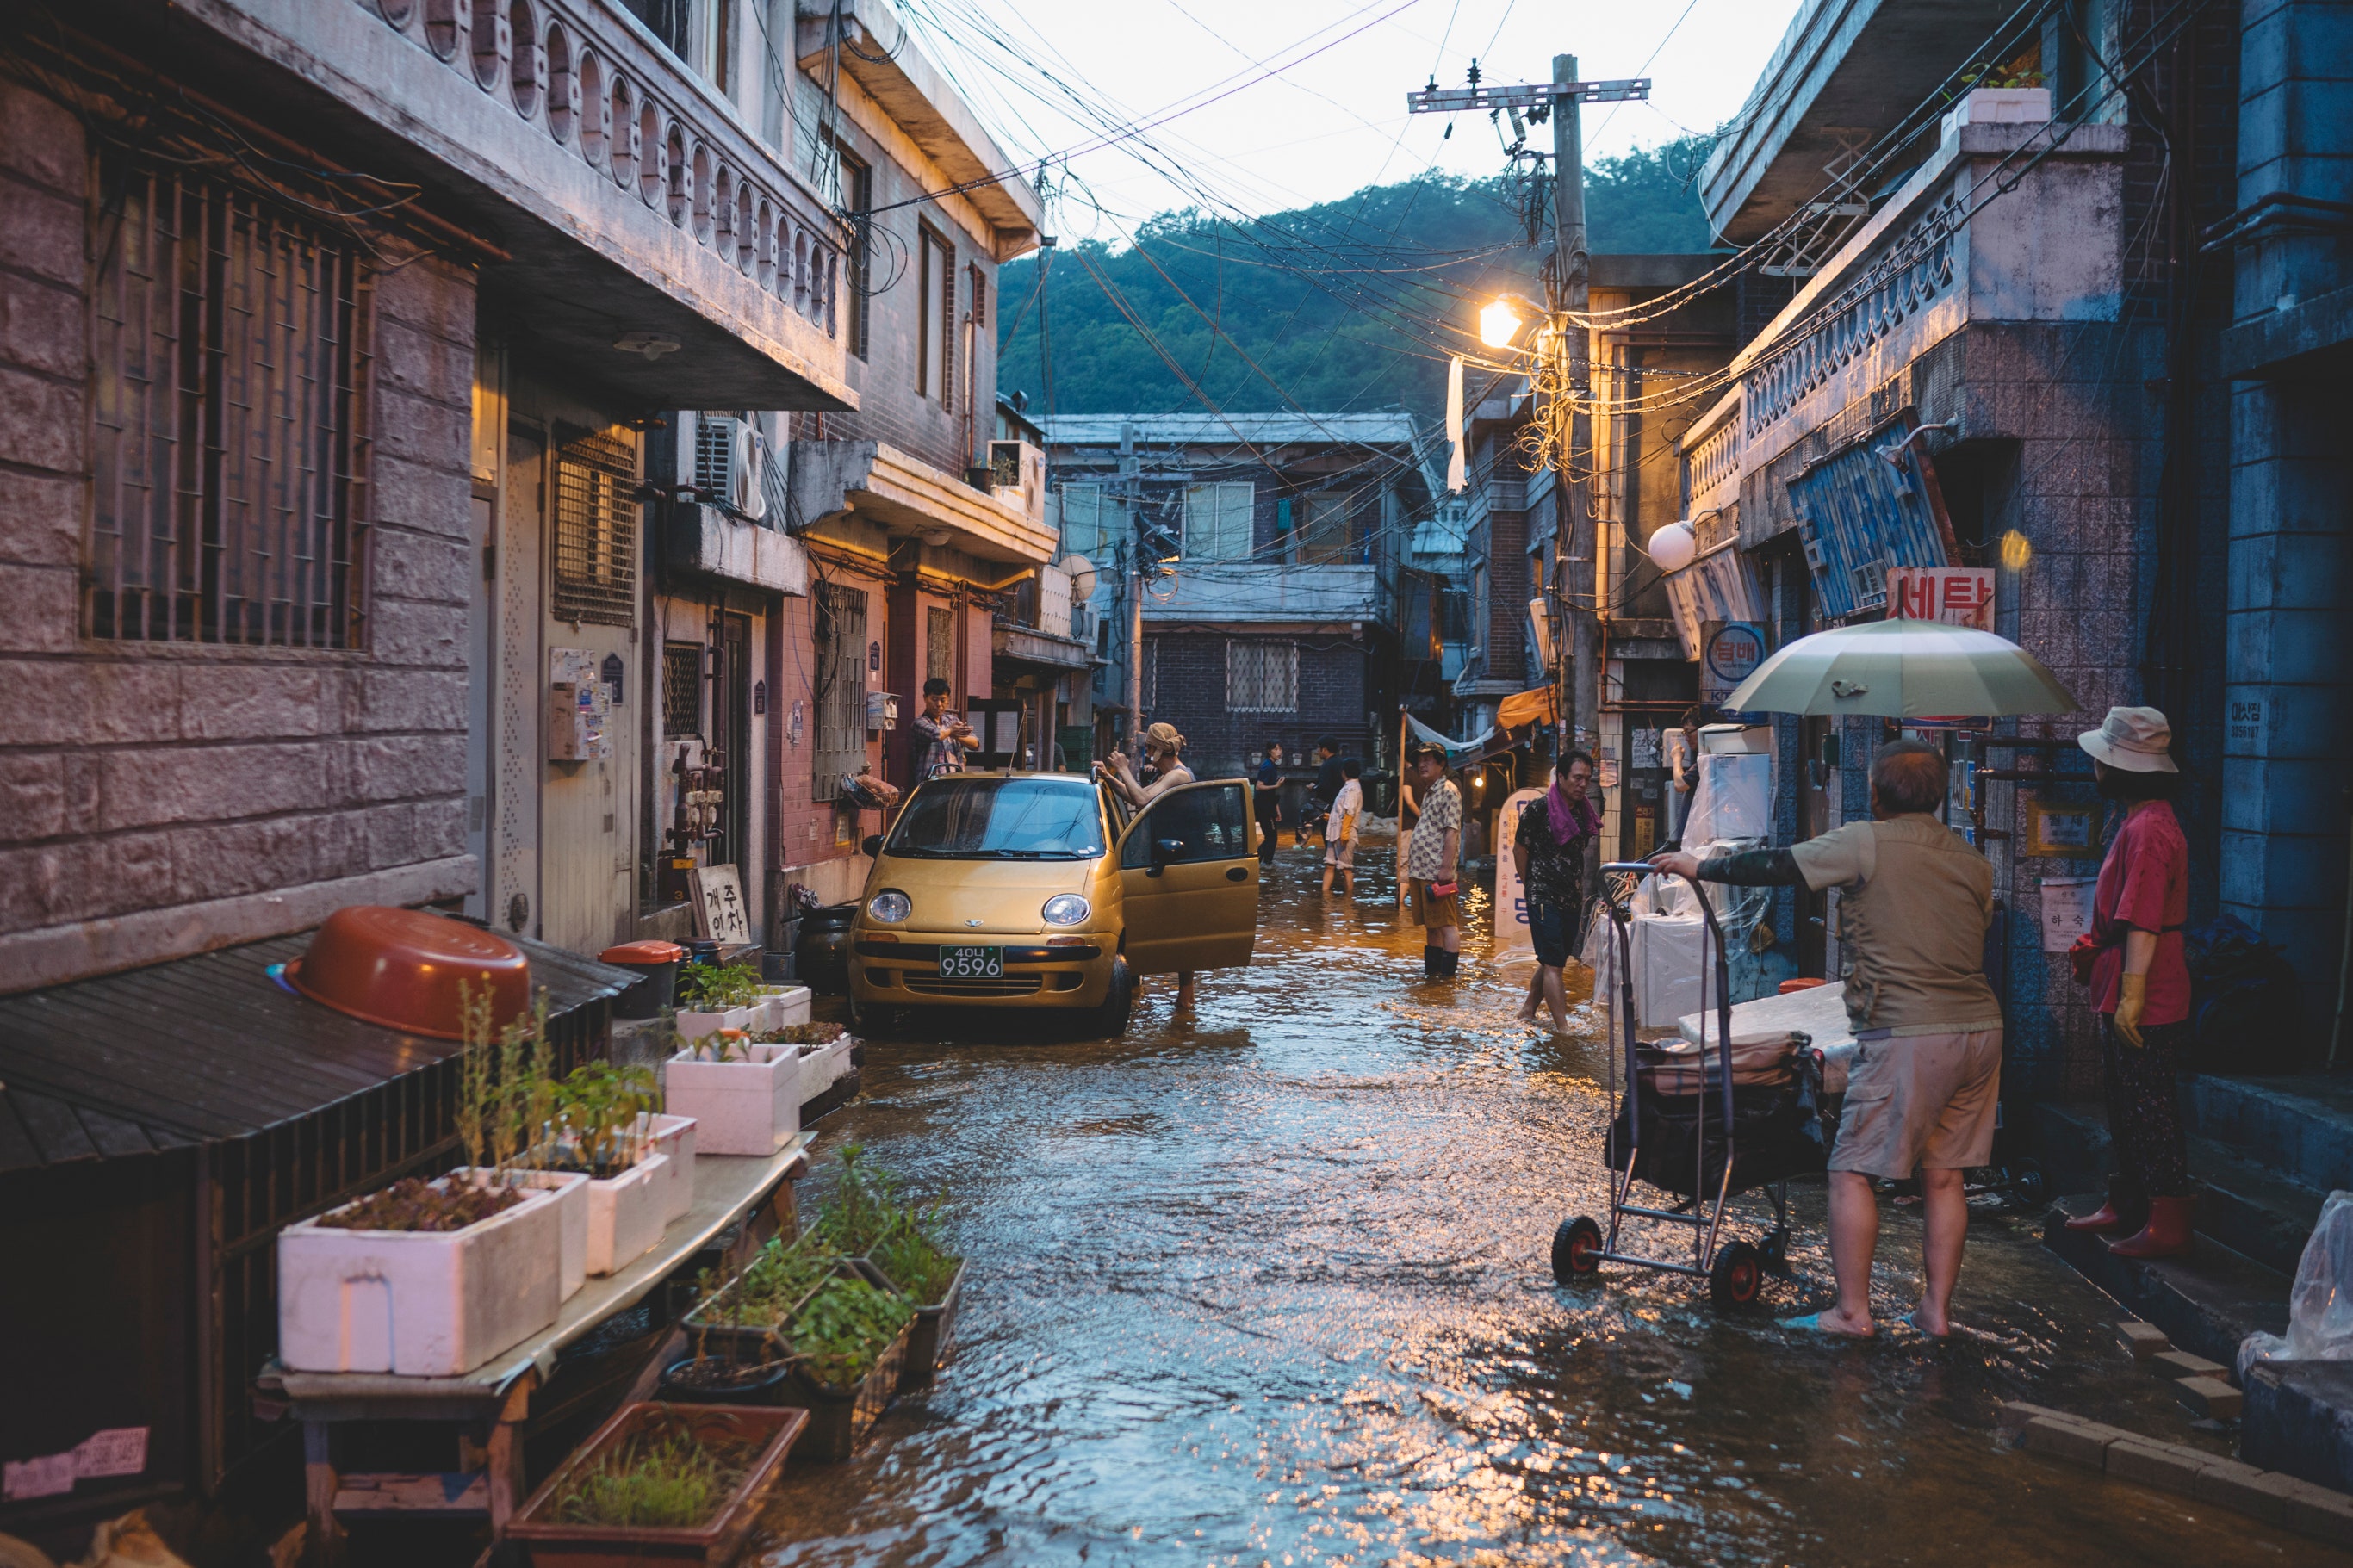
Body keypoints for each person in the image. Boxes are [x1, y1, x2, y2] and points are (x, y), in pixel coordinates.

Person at [1648, 739, 2000, 1339]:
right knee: (1944, 1174)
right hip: (1980, 1031)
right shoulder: (1971, 859)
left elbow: (1782, 866)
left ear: (1875, 793)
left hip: (1908, 1030)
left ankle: (1851, 1312)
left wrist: (1698, 865)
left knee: (1852, 1167)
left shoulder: (1866, 839)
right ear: (1940, 797)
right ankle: (1936, 1312)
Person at [2061, 707, 2196, 1259]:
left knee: (2150, 1106)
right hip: (2124, 976)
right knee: (2125, 1101)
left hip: (2148, 982)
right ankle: (2130, 1203)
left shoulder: (2149, 830)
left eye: (2103, 760)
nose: (2095, 767)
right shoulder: (2139, 820)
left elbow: (2143, 917)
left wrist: (2134, 995)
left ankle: (2167, 1219)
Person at [1096, 722, 1201, 1009]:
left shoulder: (1179, 776)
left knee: (1180, 928)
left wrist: (1124, 767)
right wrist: (1111, 777)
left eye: (1149, 748)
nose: (1147, 753)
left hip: (1178, 858)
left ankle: (1186, 996)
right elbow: (1136, 795)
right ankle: (1175, 997)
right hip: (1165, 856)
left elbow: (1142, 799)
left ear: (1157, 750)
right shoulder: (1167, 775)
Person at [1515, 752, 1600, 1032]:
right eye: (1577, 778)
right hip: (1543, 894)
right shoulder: (1539, 809)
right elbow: (1520, 848)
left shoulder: (1583, 811)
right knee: (1554, 964)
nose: (1582, 784)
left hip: (1571, 896)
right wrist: (1531, 886)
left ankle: (1528, 1009)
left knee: (1554, 959)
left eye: (1586, 779)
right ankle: (1562, 1029)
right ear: (1561, 777)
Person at [1402, 744, 1463, 980]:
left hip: (1437, 872)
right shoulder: (1430, 790)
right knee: (1431, 925)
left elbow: (1452, 832)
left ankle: (1447, 980)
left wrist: (1446, 868)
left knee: (1447, 924)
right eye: (1420, 760)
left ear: (1442, 764)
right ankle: (1432, 977)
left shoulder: (1449, 790)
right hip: (1421, 869)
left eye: (1429, 760)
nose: (1422, 764)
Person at [913, 678, 979, 778]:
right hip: (931, 783)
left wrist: (956, 735)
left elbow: (975, 744)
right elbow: (936, 735)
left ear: (948, 700)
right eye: (934, 699)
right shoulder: (919, 722)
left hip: (955, 780)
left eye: (943, 700)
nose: (939, 704)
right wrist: (952, 731)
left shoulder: (953, 720)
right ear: (925, 698)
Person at [1323, 759, 1363, 897]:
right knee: (1329, 865)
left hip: (1344, 833)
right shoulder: (1348, 787)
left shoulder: (1352, 788)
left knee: (1346, 869)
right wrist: (1332, 817)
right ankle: (1325, 895)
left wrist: (1344, 832)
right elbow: (1343, 810)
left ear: (1344, 772)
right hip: (1336, 831)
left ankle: (1348, 901)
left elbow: (1350, 811)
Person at [1254, 741, 1287, 859]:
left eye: (1280, 749)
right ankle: (1261, 861)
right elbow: (1259, 786)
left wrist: (1276, 809)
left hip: (1268, 805)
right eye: (1275, 749)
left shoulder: (1272, 765)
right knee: (1271, 837)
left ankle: (1263, 863)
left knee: (1271, 837)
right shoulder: (1267, 766)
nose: (1279, 752)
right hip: (1264, 807)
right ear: (1269, 751)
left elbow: (1271, 792)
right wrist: (1277, 786)